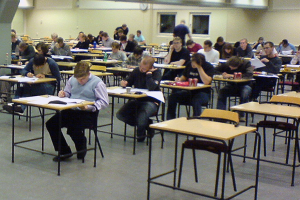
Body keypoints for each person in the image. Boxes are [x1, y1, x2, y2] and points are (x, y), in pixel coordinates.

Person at [46, 61, 109, 161]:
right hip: (72, 109)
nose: (80, 81)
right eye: (78, 79)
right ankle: (64, 151)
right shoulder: (72, 79)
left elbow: (104, 102)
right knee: (51, 124)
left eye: (83, 79)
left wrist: (89, 107)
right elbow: (68, 93)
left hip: (88, 113)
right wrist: (63, 94)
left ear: (89, 74)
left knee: (73, 126)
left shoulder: (98, 83)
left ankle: (81, 144)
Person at [116, 56, 161, 142]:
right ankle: (147, 124)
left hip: (151, 101)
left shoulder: (157, 72)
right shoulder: (137, 70)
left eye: (144, 69)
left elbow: (151, 87)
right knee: (120, 115)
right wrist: (124, 83)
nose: (141, 69)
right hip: (137, 99)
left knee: (142, 116)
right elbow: (129, 81)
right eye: (140, 66)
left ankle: (141, 134)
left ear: (151, 68)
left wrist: (148, 75)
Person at [167, 53, 214, 120]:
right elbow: (185, 76)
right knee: (173, 97)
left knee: (196, 100)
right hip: (189, 91)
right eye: (192, 62)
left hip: (203, 92)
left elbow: (207, 82)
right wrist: (179, 79)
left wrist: (199, 68)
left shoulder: (208, 66)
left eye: (195, 63)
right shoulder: (189, 64)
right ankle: (170, 119)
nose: (193, 64)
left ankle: (196, 120)